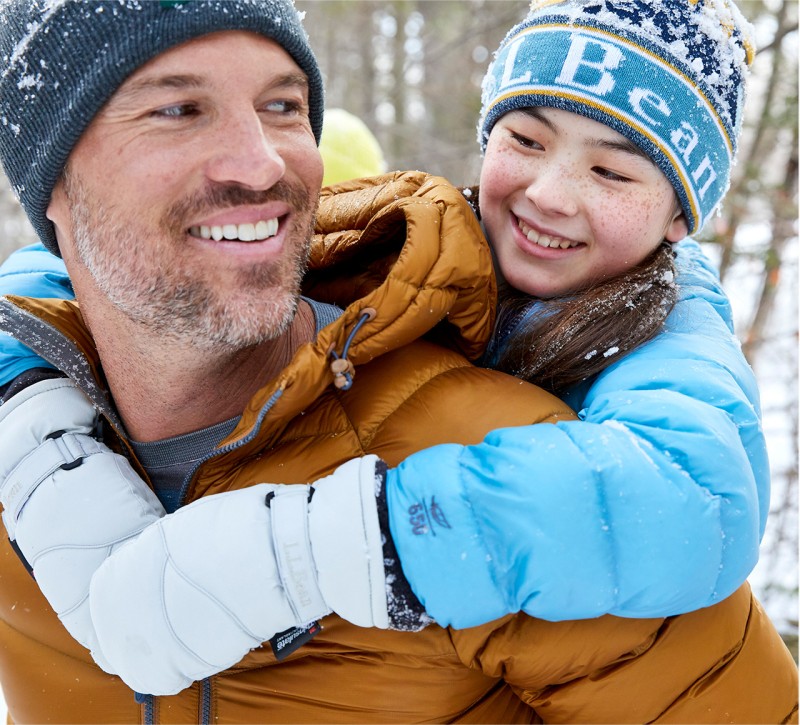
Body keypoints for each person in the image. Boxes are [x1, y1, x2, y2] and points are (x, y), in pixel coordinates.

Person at [0, 0, 795, 722]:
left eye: (282, 106)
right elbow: (48, 282)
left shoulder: (555, 444)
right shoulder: (417, 253)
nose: (550, 194)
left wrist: (347, 539)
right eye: (178, 109)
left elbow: (697, 498)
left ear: (680, 216)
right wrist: (29, 412)